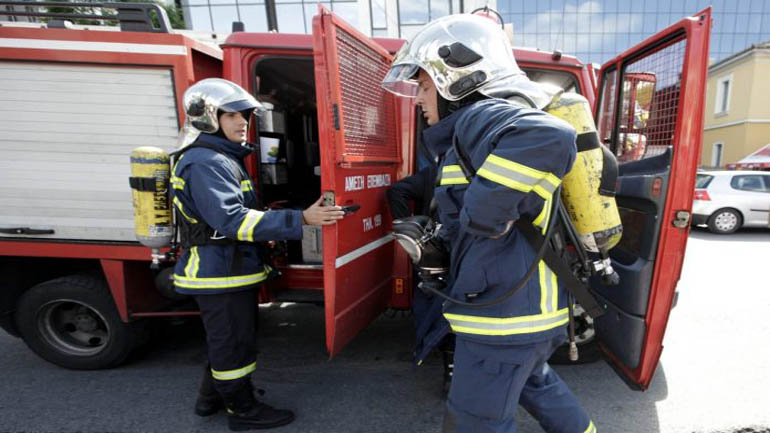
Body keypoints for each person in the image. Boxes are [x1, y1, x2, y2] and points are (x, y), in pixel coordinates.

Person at [382, 14, 597, 433]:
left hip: (503, 322)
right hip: (528, 315)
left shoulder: (478, 116)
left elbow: (549, 136)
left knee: (475, 424)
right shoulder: (472, 133)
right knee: (537, 386)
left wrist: (483, 216)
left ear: (456, 79)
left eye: (423, 86)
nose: (419, 99)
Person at [170, 78, 344, 431]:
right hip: (220, 273)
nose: (242, 122)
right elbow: (232, 220)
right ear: (208, 118)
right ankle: (243, 411)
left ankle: (210, 400)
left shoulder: (219, 158)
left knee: (227, 341)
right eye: (231, 115)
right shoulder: (207, 162)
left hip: (227, 268)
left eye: (245, 116)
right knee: (233, 345)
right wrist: (301, 219)